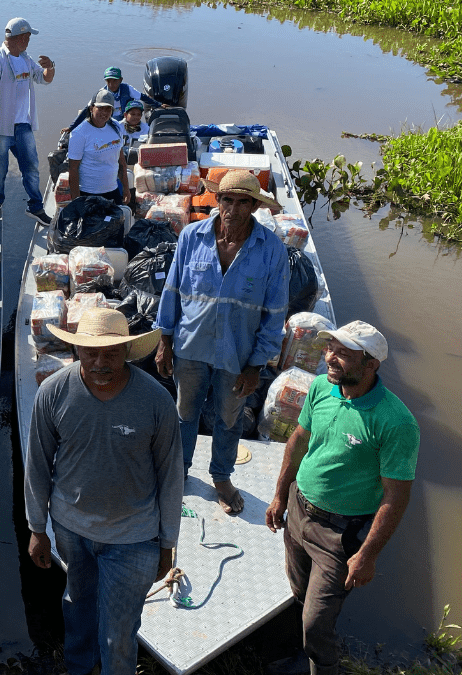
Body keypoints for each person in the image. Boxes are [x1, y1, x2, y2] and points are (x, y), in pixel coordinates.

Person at [25, 308, 183, 675]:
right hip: (70, 529)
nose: (100, 362)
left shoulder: (156, 401)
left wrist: (167, 542)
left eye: (111, 353)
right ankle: (80, 668)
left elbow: (171, 475)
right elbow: (37, 465)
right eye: (90, 352)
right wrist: (37, 529)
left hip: (134, 537)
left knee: (119, 632)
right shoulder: (53, 392)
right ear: (77, 350)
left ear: (127, 352)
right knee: (78, 605)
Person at [264, 321, 419, 675]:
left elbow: (396, 497)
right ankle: (295, 657)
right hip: (299, 510)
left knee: (318, 621)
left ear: (371, 364)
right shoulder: (320, 387)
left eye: (344, 354)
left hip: (339, 534)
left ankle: (324, 666)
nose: (330, 358)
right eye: (330, 348)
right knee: (299, 595)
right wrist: (279, 496)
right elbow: (298, 441)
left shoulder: (396, 422)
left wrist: (367, 554)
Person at [154, 169, 289, 514]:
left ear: (256, 206)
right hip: (190, 346)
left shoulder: (271, 249)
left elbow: (275, 313)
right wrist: (164, 341)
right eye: (227, 200)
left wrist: (256, 365)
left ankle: (222, 476)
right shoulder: (191, 236)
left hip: (237, 353)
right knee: (185, 412)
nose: (233, 209)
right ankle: (179, 470)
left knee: (228, 418)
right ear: (217, 200)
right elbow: (172, 290)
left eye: (243, 202)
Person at [0, 17, 55, 225]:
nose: (29, 40)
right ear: (20, 37)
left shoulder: (25, 58)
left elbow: (44, 78)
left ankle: (35, 207)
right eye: (28, 36)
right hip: (1, 127)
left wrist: (51, 67)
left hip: (23, 125)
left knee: (31, 167)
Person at [66, 89, 128, 205]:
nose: (104, 113)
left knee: (115, 222)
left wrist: (126, 189)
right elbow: (73, 169)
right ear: (91, 108)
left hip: (113, 191)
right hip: (88, 194)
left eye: (108, 109)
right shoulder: (79, 133)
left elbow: (121, 162)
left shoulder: (116, 127)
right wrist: (76, 202)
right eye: (100, 108)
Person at [63, 66, 161, 134]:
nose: (111, 84)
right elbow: (87, 109)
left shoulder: (127, 89)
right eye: (108, 81)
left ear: (120, 80)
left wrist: (159, 105)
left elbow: (143, 97)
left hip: (125, 120)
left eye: (115, 81)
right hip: (108, 121)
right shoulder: (101, 93)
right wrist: (71, 127)